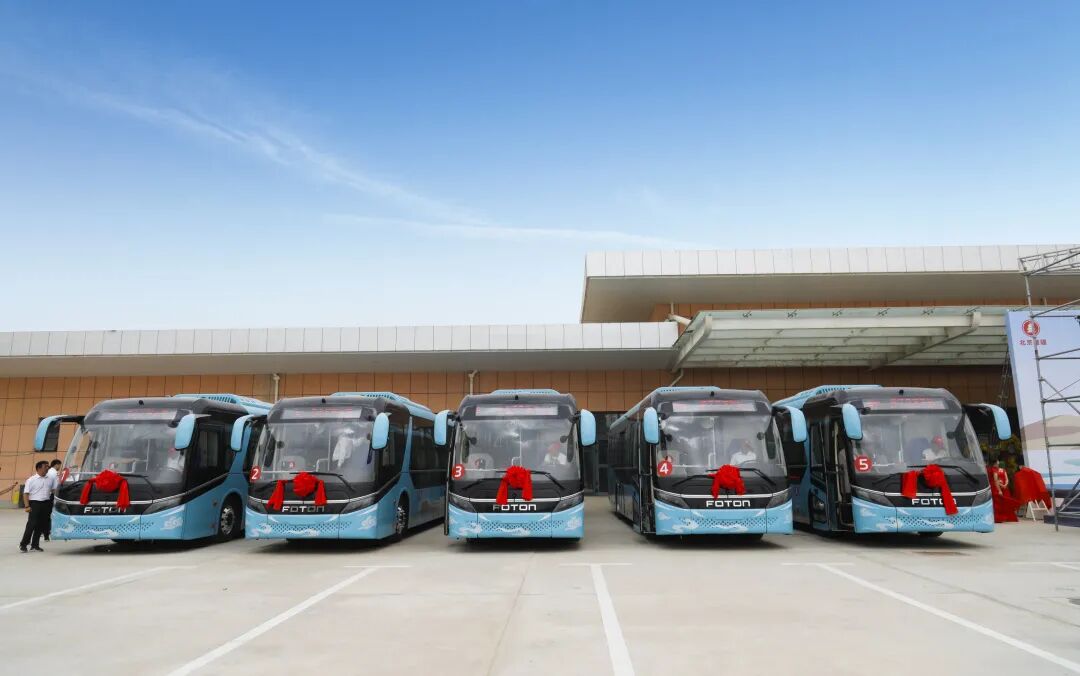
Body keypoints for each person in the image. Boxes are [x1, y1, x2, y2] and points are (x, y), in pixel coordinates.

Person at [20, 461, 55, 553]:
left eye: (48, 466)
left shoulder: (50, 479)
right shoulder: (31, 480)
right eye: (45, 466)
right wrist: (27, 506)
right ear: (39, 468)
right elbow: (26, 493)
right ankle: (23, 544)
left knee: (40, 525)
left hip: (46, 503)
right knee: (31, 524)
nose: (47, 468)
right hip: (35, 504)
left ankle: (35, 545)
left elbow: (53, 490)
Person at [44, 459, 61, 541]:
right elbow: (54, 488)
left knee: (46, 514)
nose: (59, 467)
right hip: (50, 496)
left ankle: (45, 531)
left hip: (46, 495)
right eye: (59, 465)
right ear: (56, 464)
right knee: (48, 514)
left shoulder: (50, 472)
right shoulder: (54, 473)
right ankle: (46, 531)